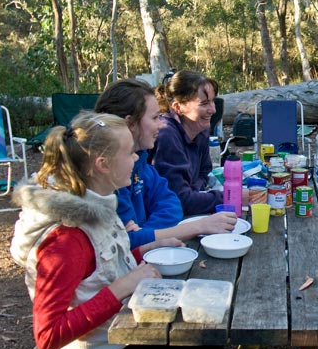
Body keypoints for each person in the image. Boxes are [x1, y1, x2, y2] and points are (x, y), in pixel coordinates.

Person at [9, 112, 187, 349]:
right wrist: (122, 287)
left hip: (116, 333)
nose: (136, 158)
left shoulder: (98, 199)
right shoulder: (66, 239)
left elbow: (100, 266)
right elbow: (47, 336)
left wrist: (148, 248)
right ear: (103, 165)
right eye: (129, 153)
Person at [95, 79, 236, 248]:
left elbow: (172, 203)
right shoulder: (108, 175)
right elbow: (124, 243)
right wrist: (198, 226)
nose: (161, 124)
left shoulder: (140, 161)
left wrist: (144, 234)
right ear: (130, 124)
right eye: (155, 118)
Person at [150, 70, 223, 216]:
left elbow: (204, 172)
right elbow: (181, 200)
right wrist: (227, 197)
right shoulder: (167, 135)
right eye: (204, 103)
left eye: (213, 101)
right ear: (177, 107)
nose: (213, 109)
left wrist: (193, 189)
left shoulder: (200, 129)